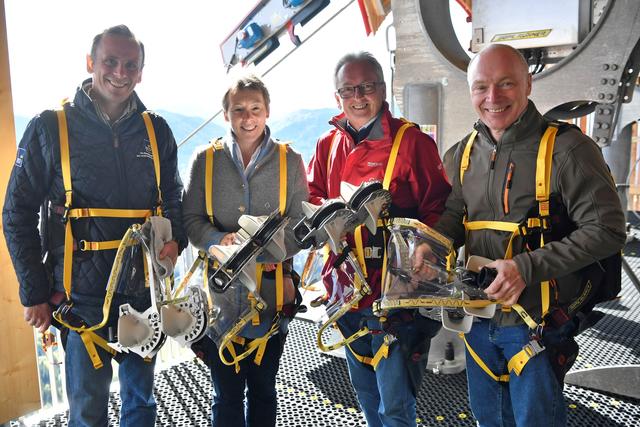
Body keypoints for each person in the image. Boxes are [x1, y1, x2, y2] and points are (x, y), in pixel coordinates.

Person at [431, 44, 626, 426]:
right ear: (470, 91)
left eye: (506, 84)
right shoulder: (461, 154)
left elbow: (607, 230)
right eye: (481, 87)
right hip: (478, 317)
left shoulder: (568, 150)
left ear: (528, 84)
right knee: (489, 419)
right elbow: (456, 214)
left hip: (535, 324)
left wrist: (526, 267)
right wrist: (431, 245)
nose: (493, 97)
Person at [2, 25, 186, 426]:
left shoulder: (156, 131)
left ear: (141, 72)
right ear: (91, 63)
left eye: (130, 65)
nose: (120, 73)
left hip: (143, 295)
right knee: (88, 412)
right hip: (80, 301)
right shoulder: (50, 128)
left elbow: (173, 197)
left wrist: (177, 241)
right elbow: (16, 212)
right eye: (110, 62)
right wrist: (34, 290)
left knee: (141, 405)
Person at [306, 52, 451, 426]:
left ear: (382, 90)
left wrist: (425, 250)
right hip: (346, 291)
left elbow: (440, 207)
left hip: (397, 297)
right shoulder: (327, 145)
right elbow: (311, 199)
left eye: (366, 86)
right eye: (348, 89)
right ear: (337, 95)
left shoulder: (412, 142)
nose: (358, 96)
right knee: (366, 393)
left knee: (396, 405)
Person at [182, 75, 309, 427]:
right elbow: (190, 219)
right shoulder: (205, 161)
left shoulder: (290, 160)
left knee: (265, 390)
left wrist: (261, 251)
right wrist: (214, 239)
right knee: (225, 395)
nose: (247, 117)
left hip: (271, 297)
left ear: (267, 112)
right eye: (239, 109)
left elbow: (301, 226)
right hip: (219, 301)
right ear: (226, 113)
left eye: (255, 108)